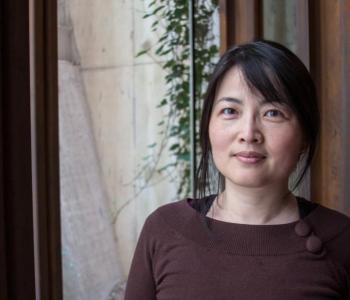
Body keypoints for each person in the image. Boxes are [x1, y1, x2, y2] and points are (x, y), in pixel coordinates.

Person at [124, 40, 350, 299]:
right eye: (230, 111)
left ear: (305, 136)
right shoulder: (164, 229)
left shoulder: (341, 239)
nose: (248, 133)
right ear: (209, 125)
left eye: (273, 113)